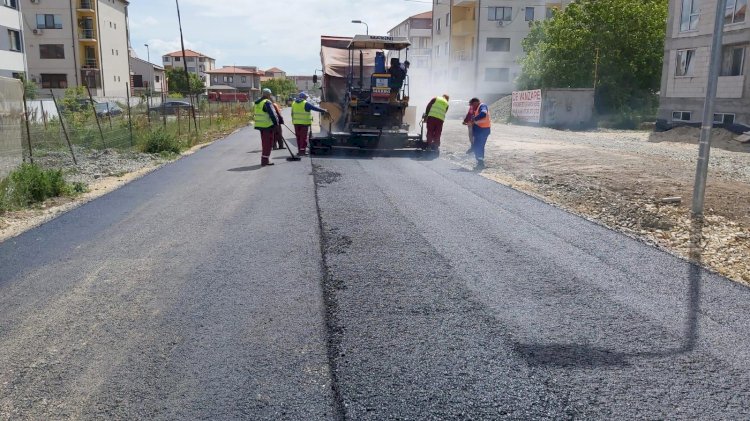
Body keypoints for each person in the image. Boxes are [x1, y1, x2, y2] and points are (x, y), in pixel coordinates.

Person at [291, 92, 328, 156]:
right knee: (303, 137)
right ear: (303, 97)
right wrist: (324, 110)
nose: (306, 98)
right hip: (304, 124)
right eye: (306, 97)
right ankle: (302, 152)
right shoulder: (305, 103)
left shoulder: (294, 103)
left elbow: (292, 113)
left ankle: (300, 150)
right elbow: (315, 108)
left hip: (296, 123)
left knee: (298, 137)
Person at [254, 88, 279, 167]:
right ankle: (265, 161)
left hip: (260, 125)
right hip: (267, 126)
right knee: (268, 144)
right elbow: (272, 114)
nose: (270, 96)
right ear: (268, 95)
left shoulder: (258, 103)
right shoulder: (267, 102)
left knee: (265, 143)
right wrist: (276, 124)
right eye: (270, 94)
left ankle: (265, 159)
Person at [469, 97, 491, 170]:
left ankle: (480, 163)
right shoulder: (477, 109)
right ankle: (479, 161)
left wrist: (474, 118)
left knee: (479, 146)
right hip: (480, 130)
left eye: (472, 105)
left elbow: (483, 114)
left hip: (483, 130)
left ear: (475, 102)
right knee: (478, 146)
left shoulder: (482, 106)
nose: (472, 107)